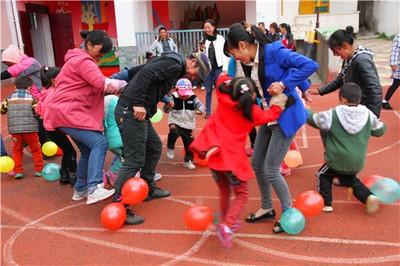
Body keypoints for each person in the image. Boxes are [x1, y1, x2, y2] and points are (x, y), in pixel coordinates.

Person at [225, 22, 318, 233]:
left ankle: (289, 212)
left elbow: (308, 65)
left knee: (271, 170)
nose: (236, 59)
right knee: (257, 163)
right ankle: (267, 207)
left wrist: (287, 85)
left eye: (235, 54)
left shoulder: (274, 50)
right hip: (267, 116)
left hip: (286, 116)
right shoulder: (247, 62)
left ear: (242, 45)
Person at [114, 50, 210, 224]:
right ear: (193, 62)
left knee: (154, 147)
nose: (194, 77)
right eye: (197, 73)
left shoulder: (173, 63)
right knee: (134, 159)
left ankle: (148, 187)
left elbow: (139, 70)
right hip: (131, 112)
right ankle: (120, 204)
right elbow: (145, 74)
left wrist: (165, 100)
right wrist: (137, 103)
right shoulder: (174, 63)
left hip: (138, 112)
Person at [190, 74, 286, 248]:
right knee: (241, 194)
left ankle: (225, 220)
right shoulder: (253, 112)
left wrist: (231, 81)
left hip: (216, 158)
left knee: (225, 191)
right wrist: (279, 98)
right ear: (253, 95)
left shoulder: (224, 99)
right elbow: (271, 115)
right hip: (232, 161)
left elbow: (220, 80)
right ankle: (227, 225)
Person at [45, 30, 127, 205]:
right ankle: (94, 187)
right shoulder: (83, 61)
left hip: (63, 112)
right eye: (99, 52)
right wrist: (124, 84)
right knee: (99, 143)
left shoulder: (77, 60)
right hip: (68, 112)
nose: (100, 57)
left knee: (88, 149)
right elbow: (102, 83)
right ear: (89, 45)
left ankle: (81, 188)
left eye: (103, 54)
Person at [307, 82, 386, 213]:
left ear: (342, 98)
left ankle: (326, 203)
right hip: (357, 161)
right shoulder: (367, 114)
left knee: (323, 175)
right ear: (359, 99)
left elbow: (314, 120)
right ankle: (369, 197)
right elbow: (380, 130)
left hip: (336, 159)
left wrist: (306, 110)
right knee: (351, 180)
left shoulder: (334, 113)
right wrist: (368, 129)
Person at [309, 27, 383, 117]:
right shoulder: (349, 59)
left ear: (344, 46)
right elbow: (341, 78)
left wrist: (372, 118)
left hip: (362, 110)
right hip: (353, 107)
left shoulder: (362, 60)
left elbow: (375, 91)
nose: (335, 54)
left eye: (335, 51)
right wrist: (321, 90)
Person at [1, 45, 49, 146]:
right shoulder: (20, 64)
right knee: (29, 119)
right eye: (5, 63)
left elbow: (12, 71)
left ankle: (46, 145)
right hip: (29, 97)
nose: (7, 65)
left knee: (39, 122)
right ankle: (29, 140)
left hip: (38, 96)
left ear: (14, 58)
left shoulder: (30, 62)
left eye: (8, 62)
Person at [36, 66, 77, 185]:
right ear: (54, 80)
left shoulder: (45, 93)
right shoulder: (54, 94)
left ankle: (64, 175)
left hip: (49, 128)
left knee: (66, 150)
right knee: (71, 152)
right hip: (55, 128)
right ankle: (74, 176)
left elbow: (38, 110)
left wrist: (45, 116)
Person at [1, 76, 44, 179]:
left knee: (17, 149)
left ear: (15, 86)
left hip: (15, 130)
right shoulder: (32, 98)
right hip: (30, 129)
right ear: (29, 87)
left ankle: (18, 171)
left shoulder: (9, 98)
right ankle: (39, 170)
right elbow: (38, 112)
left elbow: (2, 110)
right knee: (35, 148)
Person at [165, 78, 204, 170]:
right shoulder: (173, 97)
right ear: (177, 90)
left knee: (189, 144)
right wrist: (168, 106)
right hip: (175, 121)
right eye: (182, 94)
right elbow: (166, 110)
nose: (184, 97)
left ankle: (188, 161)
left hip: (188, 124)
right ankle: (170, 147)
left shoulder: (193, 97)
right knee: (174, 131)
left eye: (186, 94)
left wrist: (200, 110)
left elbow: (201, 105)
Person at [202, 19, 228, 119]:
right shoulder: (203, 40)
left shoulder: (220, 38)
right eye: (205, 28)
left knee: (220, 90)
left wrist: (225, 69)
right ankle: (208, 111)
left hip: (219, 68)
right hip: (208, 70)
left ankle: (222, 111)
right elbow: (202, 56)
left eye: (209, 27)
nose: (207, 29)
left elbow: (224, 54)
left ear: (213, 27)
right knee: (208, 91)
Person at [382, 33, 400, 110]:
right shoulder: (398, 37)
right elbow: (395, 51)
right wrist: (393, 63)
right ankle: (385, 101)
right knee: (396, 83)